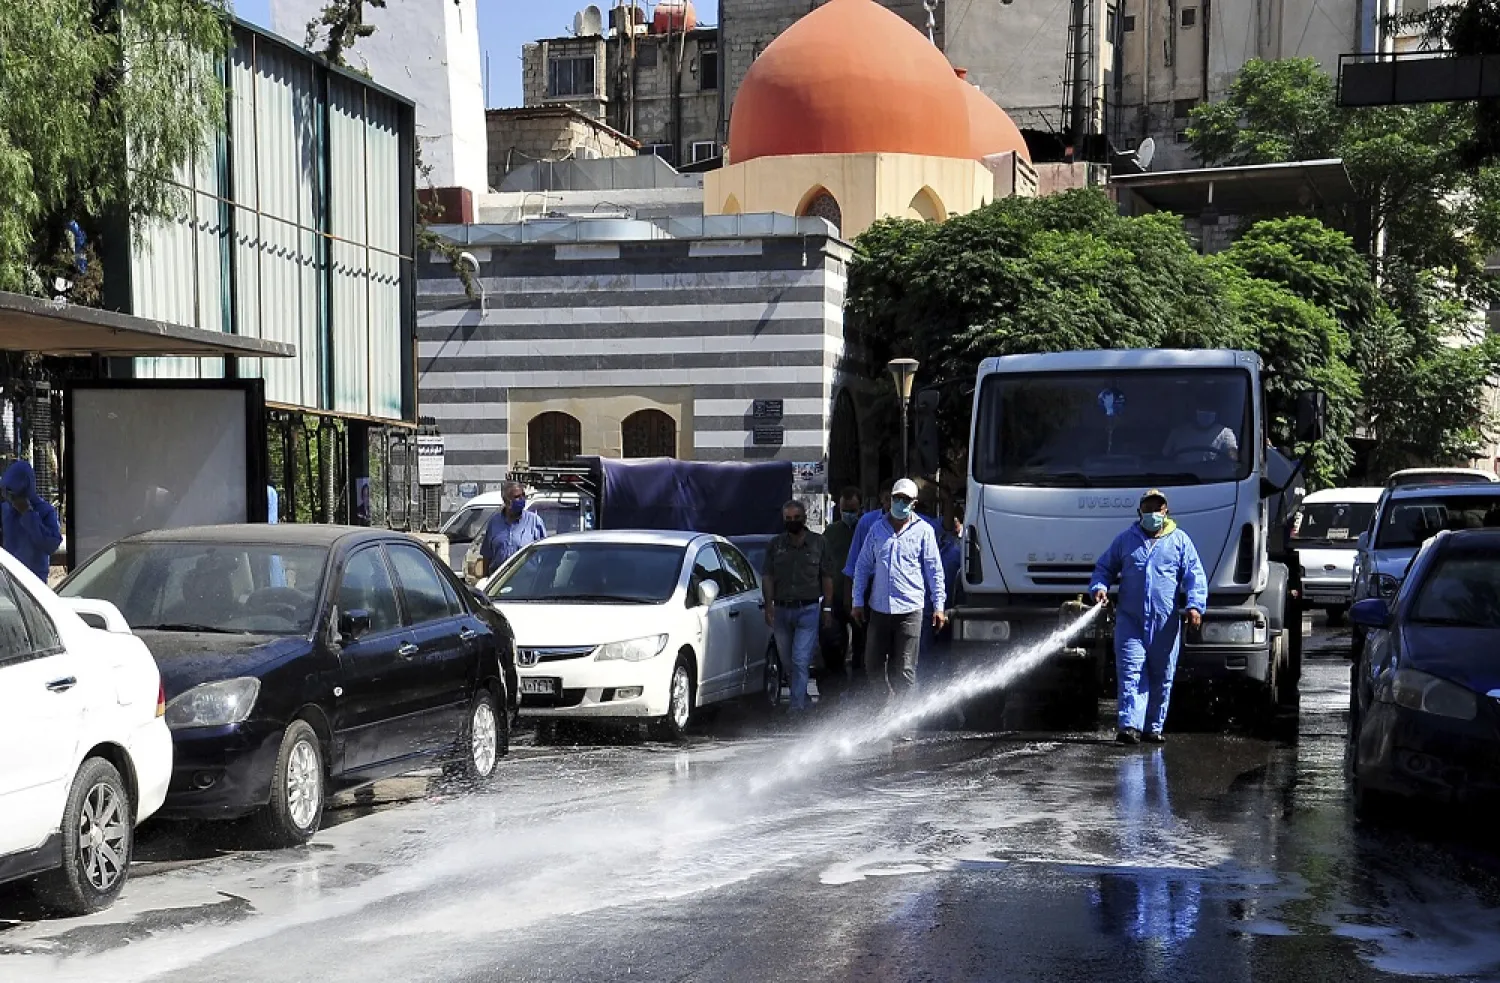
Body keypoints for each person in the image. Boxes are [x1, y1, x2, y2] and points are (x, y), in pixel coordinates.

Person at [1089, 489, 1207, 745]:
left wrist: (1195, 606)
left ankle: (1153, 727)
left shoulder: (1180, 541)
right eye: (1148, 508)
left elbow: (1195, 576)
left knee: (1162, 673)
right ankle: (1129, 726)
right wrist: (1099, 588)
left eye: (1158, 508)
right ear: (1139, 512)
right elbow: (1104, 568)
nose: (1153, 513)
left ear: (1166, 512)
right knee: (1131, 671)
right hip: (1130, 620)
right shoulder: (1125, 540)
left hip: (1165, 623)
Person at [852, 479, 946, 716]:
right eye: (896, 498)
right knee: (872, 664)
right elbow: (862, 566)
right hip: (880, 609)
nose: (900, 503)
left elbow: (934, 571)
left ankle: (903, 720)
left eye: (905, 500)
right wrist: (857, 601)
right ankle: (886, 702)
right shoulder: (876, 529)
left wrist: (939, 606)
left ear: (914, 504)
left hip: (910, 609)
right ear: (890, 499)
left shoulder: (924, 531)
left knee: (904, 669)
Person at [762, 500, 837, 714]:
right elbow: (768, 575)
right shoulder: (775, 545)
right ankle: (801, 696)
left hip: (809, 609)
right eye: (788, 519)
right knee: (787, 661)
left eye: (796, 518)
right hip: (782, 609)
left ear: (804, 519)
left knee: (800, 659)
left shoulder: (818, 543)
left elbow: (827, 577)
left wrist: (828, 608)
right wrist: (768, 604)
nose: (792, 522)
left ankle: (796, 708)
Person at [818, 486, 865, 700]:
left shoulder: (866, 529)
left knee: (862, 647)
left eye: (852, 510)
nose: (849, 514)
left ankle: (859, 691)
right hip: (835, 597)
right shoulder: (831, 532)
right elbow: (823, 564)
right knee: (832, 644)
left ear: (860, 508)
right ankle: (834, 692)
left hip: (861, 598)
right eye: (845, 509)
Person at [1, 460, 62, 582]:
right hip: (8, 579)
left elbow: (51, 545)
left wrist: (28, 515)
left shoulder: (45, 511)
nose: (11, 499)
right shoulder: (5, 509)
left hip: (34, 580)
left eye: (13, 494)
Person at [479, 481, 547, 576]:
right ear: (506, 501)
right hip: (499, 580)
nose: (522, 499)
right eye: (517, 497)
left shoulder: (534, 521)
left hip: (526, 579)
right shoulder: (494, 522)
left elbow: (545, 554)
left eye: (523, 495)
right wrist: (485, 578)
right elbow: (487, 554)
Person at [1163, 383, 1239, 462]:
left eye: (1209, 408)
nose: (1206, 411)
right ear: (1193, 410)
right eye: (1202, 408)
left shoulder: (1225, 433)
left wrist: (1233, 456)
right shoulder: (1177, 432)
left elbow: (1232, 453)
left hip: (1213, 473)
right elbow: (1164, 459)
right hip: (1181, 473)